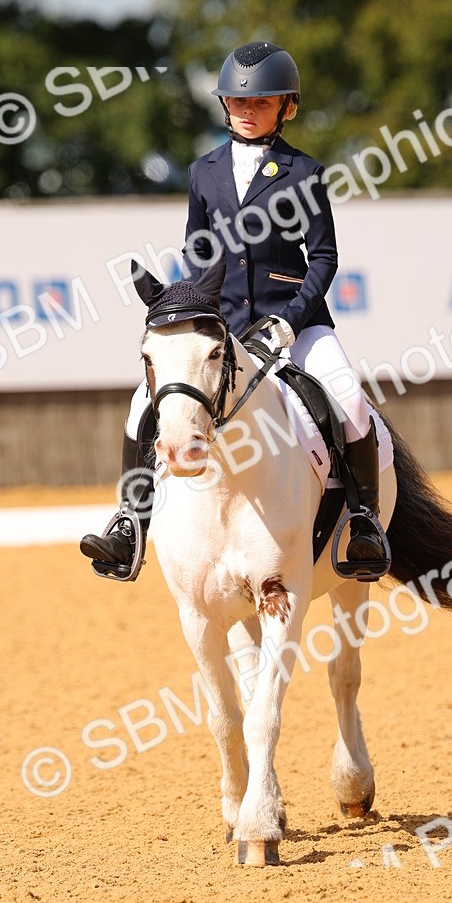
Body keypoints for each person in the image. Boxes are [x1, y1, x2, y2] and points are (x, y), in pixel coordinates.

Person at [80, 41, 388, 581]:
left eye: (261, 102)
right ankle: (130, 522)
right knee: (141, 406)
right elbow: (198, 253)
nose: (248, 111)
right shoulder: (204, 172)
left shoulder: (304, 172)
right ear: (225, 104)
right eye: (239, 102)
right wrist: (196, 310)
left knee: (349, 398)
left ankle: (364, 522)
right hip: (225, 324)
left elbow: (324, 257)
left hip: (295, 322)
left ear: (286, 107)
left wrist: (290, 321)